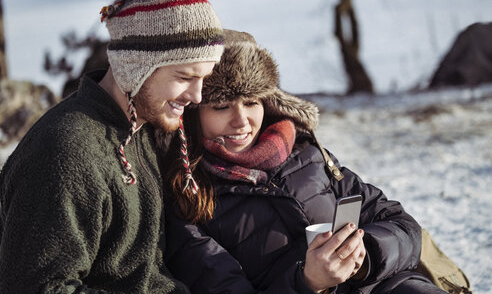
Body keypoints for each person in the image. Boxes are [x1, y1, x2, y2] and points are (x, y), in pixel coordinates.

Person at [160, 30, 448, 294]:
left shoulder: (306, 153)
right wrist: (308, 283)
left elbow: (400, 223)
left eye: (251, 102)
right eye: (221, 107)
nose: (241, 121)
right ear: (192, 114)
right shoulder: (188, 197)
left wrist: (365, 257)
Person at [0, 0, 224, 293]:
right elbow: (39, 287)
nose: (197, 96)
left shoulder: (139, 126)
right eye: (185, 76)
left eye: (204, 76)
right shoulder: (69, 152)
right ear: (135, 68)